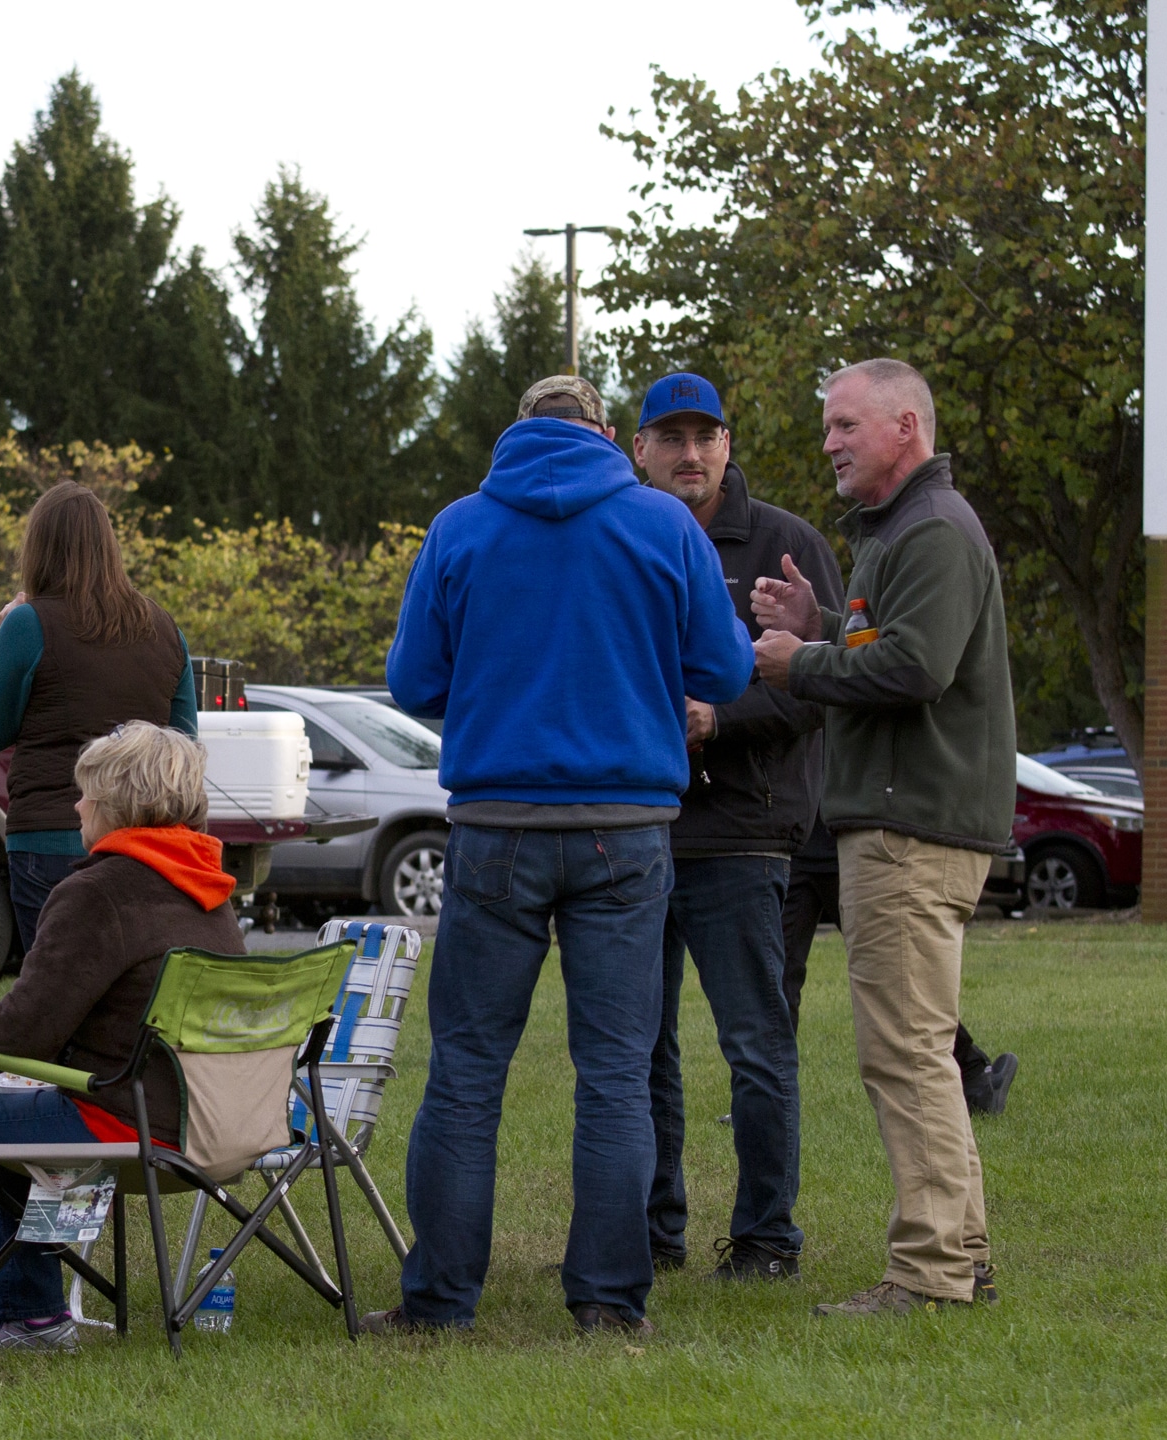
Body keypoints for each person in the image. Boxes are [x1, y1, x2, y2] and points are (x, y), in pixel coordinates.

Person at [370, 375, 754, 1338]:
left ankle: (440, 1302)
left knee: (464, 1068)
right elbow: (727, 671)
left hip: (495, 826)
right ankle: (611, 1304)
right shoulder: (665, 525)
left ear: (517, 430)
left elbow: (414, 681)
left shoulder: (460, 526)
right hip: (626, 829)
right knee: (617, 1073)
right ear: (611, 435)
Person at [751, 357, 1016, 1317]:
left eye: (843, 425)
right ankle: (963, 1258)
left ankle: (931, 1275)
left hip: (910, 832)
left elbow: (916, 669)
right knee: (922, 1047)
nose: (828, 442)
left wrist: (802, 659)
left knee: (904, 1054)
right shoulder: (902, 533)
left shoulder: (934, 532)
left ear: (905, 427)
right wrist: (824, 625)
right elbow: (889, 648)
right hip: (903, 825)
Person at [0, 722, 242, 1371]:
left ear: (118, 803)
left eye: (86, 794)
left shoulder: (101, 891)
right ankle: (31, 1311)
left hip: (129, 1121)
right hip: (216, 1122)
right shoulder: (210, 889)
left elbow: (28, 1024)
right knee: (27, 1104)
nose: (77, 807)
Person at [631, 374, 842, 1282]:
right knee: (640, 1048)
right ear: (637, 448)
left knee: (755, 1044)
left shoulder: (787, 544)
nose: (689, 453)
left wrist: (720, 717)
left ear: (726, 443)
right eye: (670, 437)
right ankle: (652, 1231)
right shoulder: (622, 535)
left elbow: (825, 686)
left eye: (704, 437)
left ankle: (764, 1239)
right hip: (635, 826)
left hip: (747, 832)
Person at [0, 482, 199, 953]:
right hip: (146, 845)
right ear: (109, 547)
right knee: (129, 994)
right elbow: (185, 743)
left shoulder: (26, 623)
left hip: (50, 837)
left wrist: (4, 642)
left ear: (39, 549)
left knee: (55, 996)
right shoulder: (165, 628)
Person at [780, 811, 1019, 1115]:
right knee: (774, 975)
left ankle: (973, 1072)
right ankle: (765, 1097)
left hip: (847, 844)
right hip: (794, 845)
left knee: (894, 978)